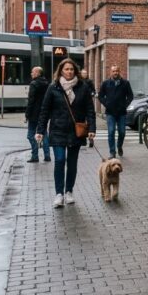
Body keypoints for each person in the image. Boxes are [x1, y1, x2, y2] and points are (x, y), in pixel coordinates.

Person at [36, 59, 96, 208]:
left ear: (75, 71)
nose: (69, 72)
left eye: (71, 69)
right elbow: (45, 110)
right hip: (58, 130)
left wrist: (92, 129)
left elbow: (90, 109)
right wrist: (40, 130)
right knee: (60, 160)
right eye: (66, 69)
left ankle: (69, 191)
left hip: (76, 131)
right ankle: (59, 194)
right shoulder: (53, 87)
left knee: (72, 163)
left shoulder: (83, 87)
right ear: (61, 71)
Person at [98, 65, 134, 157]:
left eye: (117, 71)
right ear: (111, 72)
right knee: (111, 131)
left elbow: (130, 96)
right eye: (114, 71)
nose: (115, 73)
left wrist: (125, 105)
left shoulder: (125, 83)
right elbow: (100, 96)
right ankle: (112, 152)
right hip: (110, 112)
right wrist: (107, 104)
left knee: (122, 132)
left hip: (121, 112)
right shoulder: (105, 83)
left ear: (119, 71)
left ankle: (119, 146)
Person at [25, 66, 51, 163]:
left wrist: (27, 114)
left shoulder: (34, 84)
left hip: (34, 114)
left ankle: (35, 155)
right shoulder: (47, 84)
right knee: (44, 134)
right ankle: (47, 155)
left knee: (30, 134)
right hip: (44, 113)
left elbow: (31, 100)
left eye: (33, 72)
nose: (31, 74)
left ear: (38, 73)